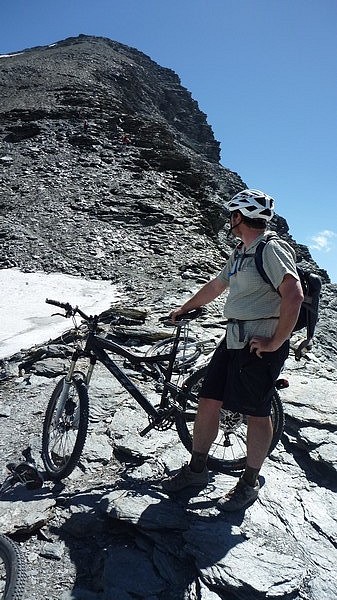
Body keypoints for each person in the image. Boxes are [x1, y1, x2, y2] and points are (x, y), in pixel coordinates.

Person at [162, 189, 304, 511]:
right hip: (233, 339)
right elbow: (216, 286)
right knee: (209, 399)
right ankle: (197, 470)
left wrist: (276, 342)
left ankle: (248, 483)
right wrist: (184, 308)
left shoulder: (271, 248)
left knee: (256, 412)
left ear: (239, 216)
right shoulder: (241, 252)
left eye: (232, 214)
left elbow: (293, 295)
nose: (229, 219)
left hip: (260, 344)